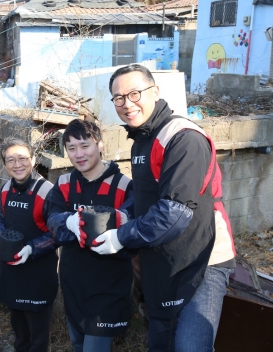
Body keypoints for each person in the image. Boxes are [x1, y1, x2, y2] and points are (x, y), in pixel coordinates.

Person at [94, 64, 236, 351]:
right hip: (162, 256)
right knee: (161, 340)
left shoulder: (183, 138)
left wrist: (121, 237)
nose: (127, 104)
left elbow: (175, 211)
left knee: (190, 345)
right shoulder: (142, 139)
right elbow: (146, 194)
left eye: (135, 93)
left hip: (201, 257)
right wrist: (122, 216)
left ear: (155, 91)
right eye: (119, 98)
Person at [47, 119, 134, 352]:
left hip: (109, 283)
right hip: (73, 280)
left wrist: (120, 223)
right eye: (72, 148)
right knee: (78, 343)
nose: (79, 154)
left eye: (85, 145)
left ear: (100, 145)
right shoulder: (64, 183)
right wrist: (68, 221)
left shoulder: (124, 185)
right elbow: (52, 220)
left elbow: (136, 231)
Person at [0, 138, 58, 352]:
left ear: (34, 159)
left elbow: (57, 234)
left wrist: (32, 248)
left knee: (38, 339)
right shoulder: (5, 189)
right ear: (4, 163)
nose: (17, 164)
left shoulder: (47, 191)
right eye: (10, 160)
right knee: (19, 334)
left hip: (38, 274)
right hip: (12, 272)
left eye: (22, 158)